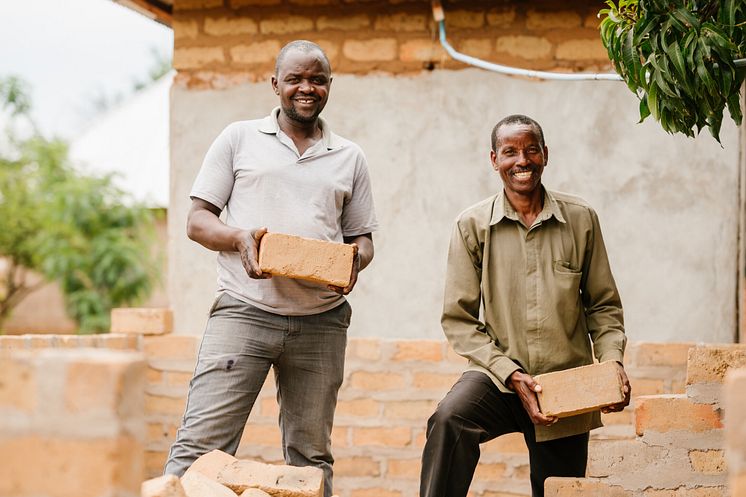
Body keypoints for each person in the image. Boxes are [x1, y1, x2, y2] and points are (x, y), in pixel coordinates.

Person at [164, 40, 378, 497]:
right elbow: (198, 220)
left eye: (317, 79)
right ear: (275, 83)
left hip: (321, 323)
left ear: (329, 86)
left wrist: (351, 261)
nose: (307, 88)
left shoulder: (349, 155)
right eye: (296, 78)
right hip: (244, 311)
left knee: (311, 458)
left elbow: (362, 239)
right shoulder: (238, 138)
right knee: (200, 448)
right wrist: (240, 237)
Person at [419, 115, 631, 497]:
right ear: (493, 159)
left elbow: (603, 306)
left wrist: (612, 361)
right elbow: (459, 320)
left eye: (531, 149)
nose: (522, 160)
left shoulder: (580, 219)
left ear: (545, 155)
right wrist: (511, 373)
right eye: (510, 152)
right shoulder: (473, 225)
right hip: (499, 378)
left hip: (564, 384)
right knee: (450, 419)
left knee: (557, 489)